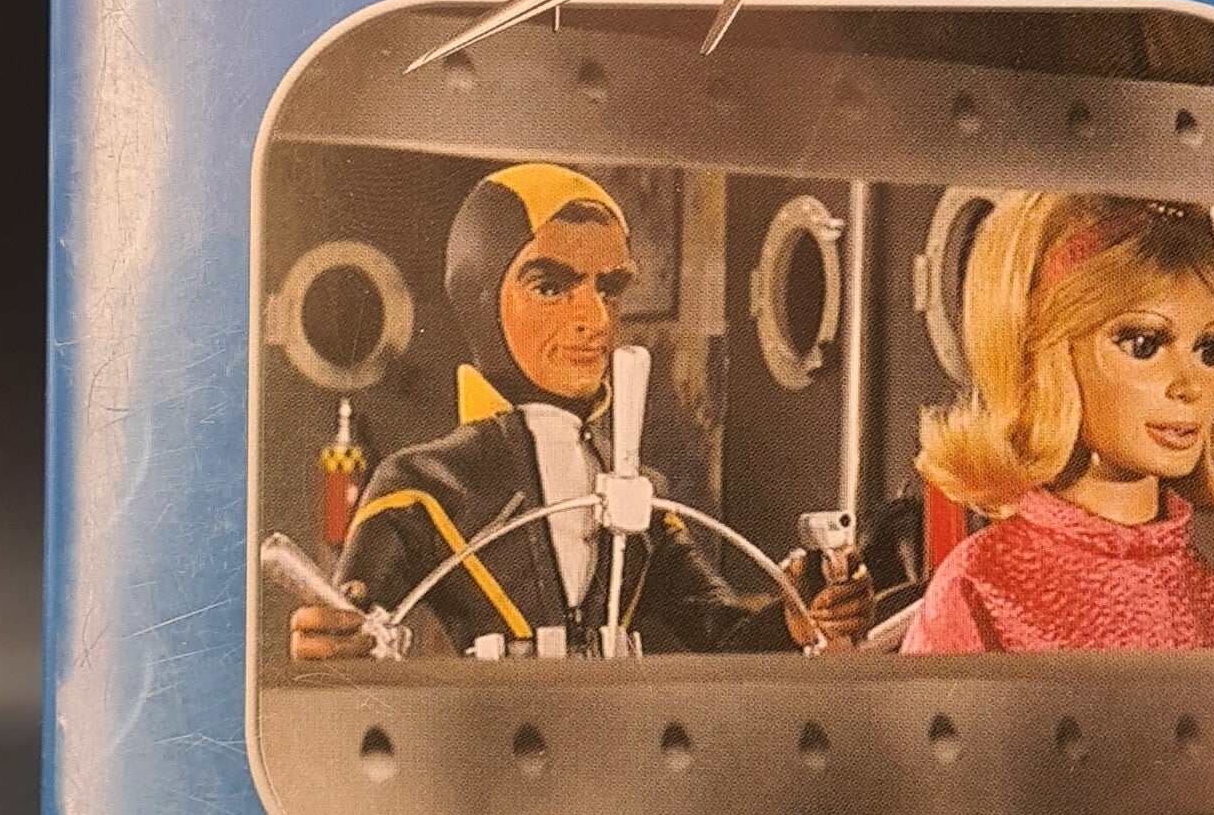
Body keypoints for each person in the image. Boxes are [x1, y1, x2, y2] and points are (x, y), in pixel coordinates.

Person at [287, 160, 824, 661]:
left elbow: (724, 634)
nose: (595, 319)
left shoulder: (643, 496)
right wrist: (329, 641)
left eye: (609, 289)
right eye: (550, 287)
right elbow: (348, 635)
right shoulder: (420, 486)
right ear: (479, 298)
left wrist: (800, 617)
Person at [900, 190, 1214, 657]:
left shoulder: (1204, 588)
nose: (1191, 387)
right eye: (1144, 345)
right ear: (1049, 359)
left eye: (1210, 351)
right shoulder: (981, 584)